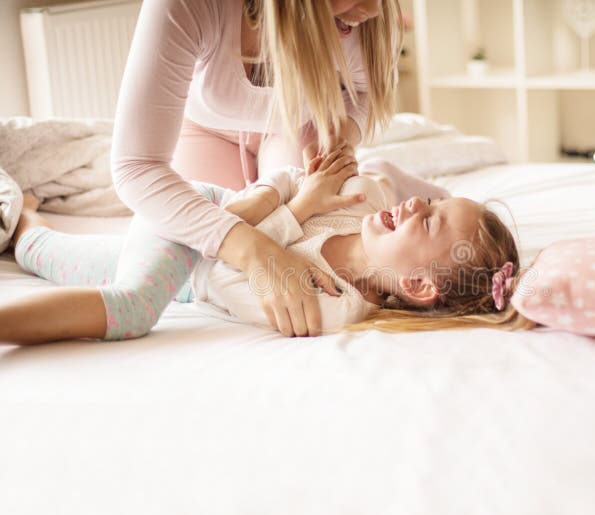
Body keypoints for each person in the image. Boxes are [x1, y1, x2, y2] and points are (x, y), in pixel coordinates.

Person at [0, 156, 524, 345]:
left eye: (428, 220)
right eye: (431, 201)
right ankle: (26, 222)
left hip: (191, 262)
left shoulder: (331, 306)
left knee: (50, 255)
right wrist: (290, 197)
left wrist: (295, 210)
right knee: (131, 305)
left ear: (418, 285)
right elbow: (292, 176)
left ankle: (25, 218)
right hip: (199, 207)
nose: (413, 203)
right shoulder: (365, 198)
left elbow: (220, 276)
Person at [112, 0, 404, 336]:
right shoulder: (189, 7)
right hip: (205, 127)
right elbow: (136, 166)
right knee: (194, 251)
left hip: (294, 129)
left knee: (313, 220)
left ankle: (382, 179)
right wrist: (256, 252)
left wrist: (340, 143)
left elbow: (364, 91)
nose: (374, 9)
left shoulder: (360, 19)